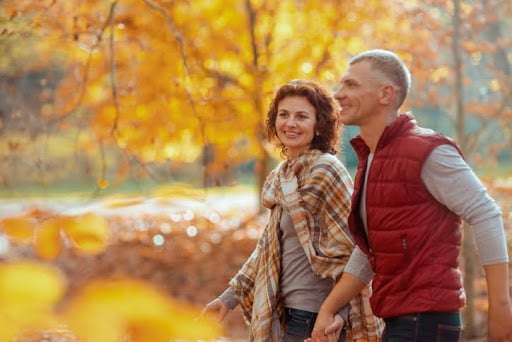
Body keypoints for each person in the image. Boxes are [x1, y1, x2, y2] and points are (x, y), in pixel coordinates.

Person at [308, 49, 512, 342]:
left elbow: (485, 212)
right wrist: (329, 308)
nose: (338, 94)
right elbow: (371, 250)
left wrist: (500, 307)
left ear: (385, 94)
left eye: (351, 85)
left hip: (425, 321)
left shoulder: (427, 151)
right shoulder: (372, 158)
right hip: (401, 320)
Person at [200, 80, 383, 341]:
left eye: (301, 116)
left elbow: (359, 247)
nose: (290, 123)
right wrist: (228, 299)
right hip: (286, 312)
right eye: (283, 115)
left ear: (319, 124)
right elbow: (268, 248)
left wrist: (337, 314)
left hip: (315, 317)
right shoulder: (283, 176)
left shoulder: (326, 170)